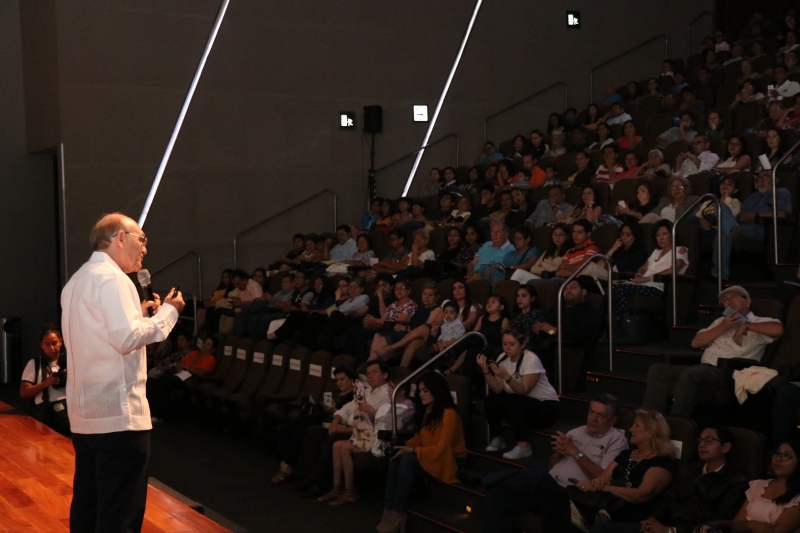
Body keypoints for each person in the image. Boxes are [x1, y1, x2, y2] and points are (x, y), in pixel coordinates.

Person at [62, 213, 185, 533]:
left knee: (88, 508)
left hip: (86, 415)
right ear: (120, 238)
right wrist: (170, 312)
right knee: (119, 515)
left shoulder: (77, 280)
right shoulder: (115, 280)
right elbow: (126, 339)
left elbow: (104, 335)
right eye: (141, 239)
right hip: (118, 417)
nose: (145, 248)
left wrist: (140, 316)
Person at [482, 395, 629, 533]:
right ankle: (495, 481)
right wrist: (559, 452)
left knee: (538, 475)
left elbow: (602, 478)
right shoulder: (576, 432)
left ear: (612, 420)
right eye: (591, 412)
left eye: (601, 415)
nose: (593, 419)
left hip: (573, 496)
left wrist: (575, 452)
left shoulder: (617, 441)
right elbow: (551, 465)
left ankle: (488, 479)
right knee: (496, 495)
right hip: (549, 489)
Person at [643, 285, 784, 418]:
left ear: (747, 301)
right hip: (703, 368)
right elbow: (696, 343)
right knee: (657, 369)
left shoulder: (759, 321)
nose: (729, 302)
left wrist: (746, 325)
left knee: (690, 374)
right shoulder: (720, 321)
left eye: (733, 297)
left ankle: (679, 424)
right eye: (725, 300)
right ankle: (650, 421)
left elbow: (777, 330)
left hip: (728, 371)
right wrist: (723, 327)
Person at [596, 425, 747, 533]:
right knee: (602, 529)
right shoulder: (690, 469)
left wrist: (671, 530)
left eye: (709, 441)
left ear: (725, 447)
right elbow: (668, 500)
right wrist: (652, 519)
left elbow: (719, 523)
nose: (702, 445)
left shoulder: (735, 481)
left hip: (686, 530)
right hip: (664, 524)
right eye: (700, 441)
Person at [376, 372, 467, 533]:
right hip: (432, 454)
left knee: (407, 460)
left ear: (436, 390)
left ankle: (398, 512)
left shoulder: (449, 414)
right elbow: (421, 437)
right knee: (396, 455)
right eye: (419, 391)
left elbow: (443, 448)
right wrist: (403, 445)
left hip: (450, 459)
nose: (421, 394)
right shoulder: (429, 410)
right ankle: (388, 509)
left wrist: (412, 450)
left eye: (426, 391)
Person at [572, 410, 676, 529]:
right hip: (609, 505)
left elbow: (641, 494)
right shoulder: (625, 455)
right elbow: (601, 479)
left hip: (637, 517)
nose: (631, 429)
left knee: (599, 528)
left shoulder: (662, 461)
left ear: (650, 432)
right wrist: (596, 483)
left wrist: (605, 487)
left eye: (636, 425)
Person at [327, 366, 413, 506]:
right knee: (337, 445)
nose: (389, 390)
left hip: (384, 442)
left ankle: (350, 492)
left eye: (392, 387)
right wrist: (364, 407)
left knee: (344, 448)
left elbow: (392, 423)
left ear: (402, 390)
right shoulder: (389, 403)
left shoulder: (407, 405)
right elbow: (372, 420)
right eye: (389, 387)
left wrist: (372, 410)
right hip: (373, 436)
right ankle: (337, 488)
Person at [480, 327, 560, 459]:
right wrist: (486, 371)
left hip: (546, 408)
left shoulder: (531, 359)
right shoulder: (502, 357)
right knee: (491, 398)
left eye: (511, 344)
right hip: (521, 405)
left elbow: (523, 390)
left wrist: (507, 377)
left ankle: (524, 445)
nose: (507, 348)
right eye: (504, 344)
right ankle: (497, 438)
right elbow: (498, 389)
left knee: (512, 400)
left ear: (522, 345)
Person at [271, 365, 357, 485]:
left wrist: (333, 410)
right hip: (321, 418)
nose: (339, 383)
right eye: (337, 380)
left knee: (303, 430)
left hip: (330, 424)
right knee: (291, 425)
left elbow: (348, 418)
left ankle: (286, 467)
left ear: (351, 379)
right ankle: (284, 461)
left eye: (342, 379)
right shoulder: (335, 392)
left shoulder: (353, 396)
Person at [611, 220, 689, 315]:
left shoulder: (680, 250)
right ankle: (619, 320)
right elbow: (643, 268)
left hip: (659, 287)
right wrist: (639, 275)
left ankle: (626, 320)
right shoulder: (656, 251)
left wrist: (648, 278)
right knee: (610, 288)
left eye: (664, 234)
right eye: (657, 235)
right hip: (643, 284)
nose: (661, 238)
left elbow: (673, 270)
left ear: (672, 235)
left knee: (619, 290)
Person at [730, 440, 800, 532]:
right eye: (777, 453)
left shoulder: (797, 498)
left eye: (787, 455)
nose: (778, 459)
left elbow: (776, 531)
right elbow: (735, 525)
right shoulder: (759, 485)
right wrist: (751, 525)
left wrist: (747, 525)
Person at [20, 324, 70, 435]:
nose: (51, 347)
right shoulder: (35, 363)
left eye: (54, 343)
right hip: (45, 413)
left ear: (61, 342)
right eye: (47, 344)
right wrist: (45, 383)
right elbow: (24, 392)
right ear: (41, 345)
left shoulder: (70, 361)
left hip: (70, 411)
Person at [532, 277, 603, 349]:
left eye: (573, 287)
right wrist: (538, 328)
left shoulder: (588, 311)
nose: (568, 290)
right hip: (542, 345)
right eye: (565, 289)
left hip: (568, 350)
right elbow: (546, 329)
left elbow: (580, 335)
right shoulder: (556, 310)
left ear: (583, 292)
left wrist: (552, 330)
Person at [366, 280, 418, 361]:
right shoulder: (393, 304)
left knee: (382, 339)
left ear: (409, 291)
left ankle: (369, 363)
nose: (398, 291)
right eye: (396, 289)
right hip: (389, 330)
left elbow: (398, 321)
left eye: (402, 288)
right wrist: (380, 298)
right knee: (377, 335)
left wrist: (376, 321)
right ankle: (372, 362)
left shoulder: (411, 305)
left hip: (401, 331)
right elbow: (384, 317)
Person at [550, 220, 602, 285]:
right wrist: (576, 271)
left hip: (584, 282)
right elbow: (558, 272)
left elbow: (582, 268)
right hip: (569, 279)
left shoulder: (592, 247)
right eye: (573, 232)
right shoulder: (570, 251)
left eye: (579, 232)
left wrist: (566, 267)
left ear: (588, 234)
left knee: (553, 281)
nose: (575, 235)